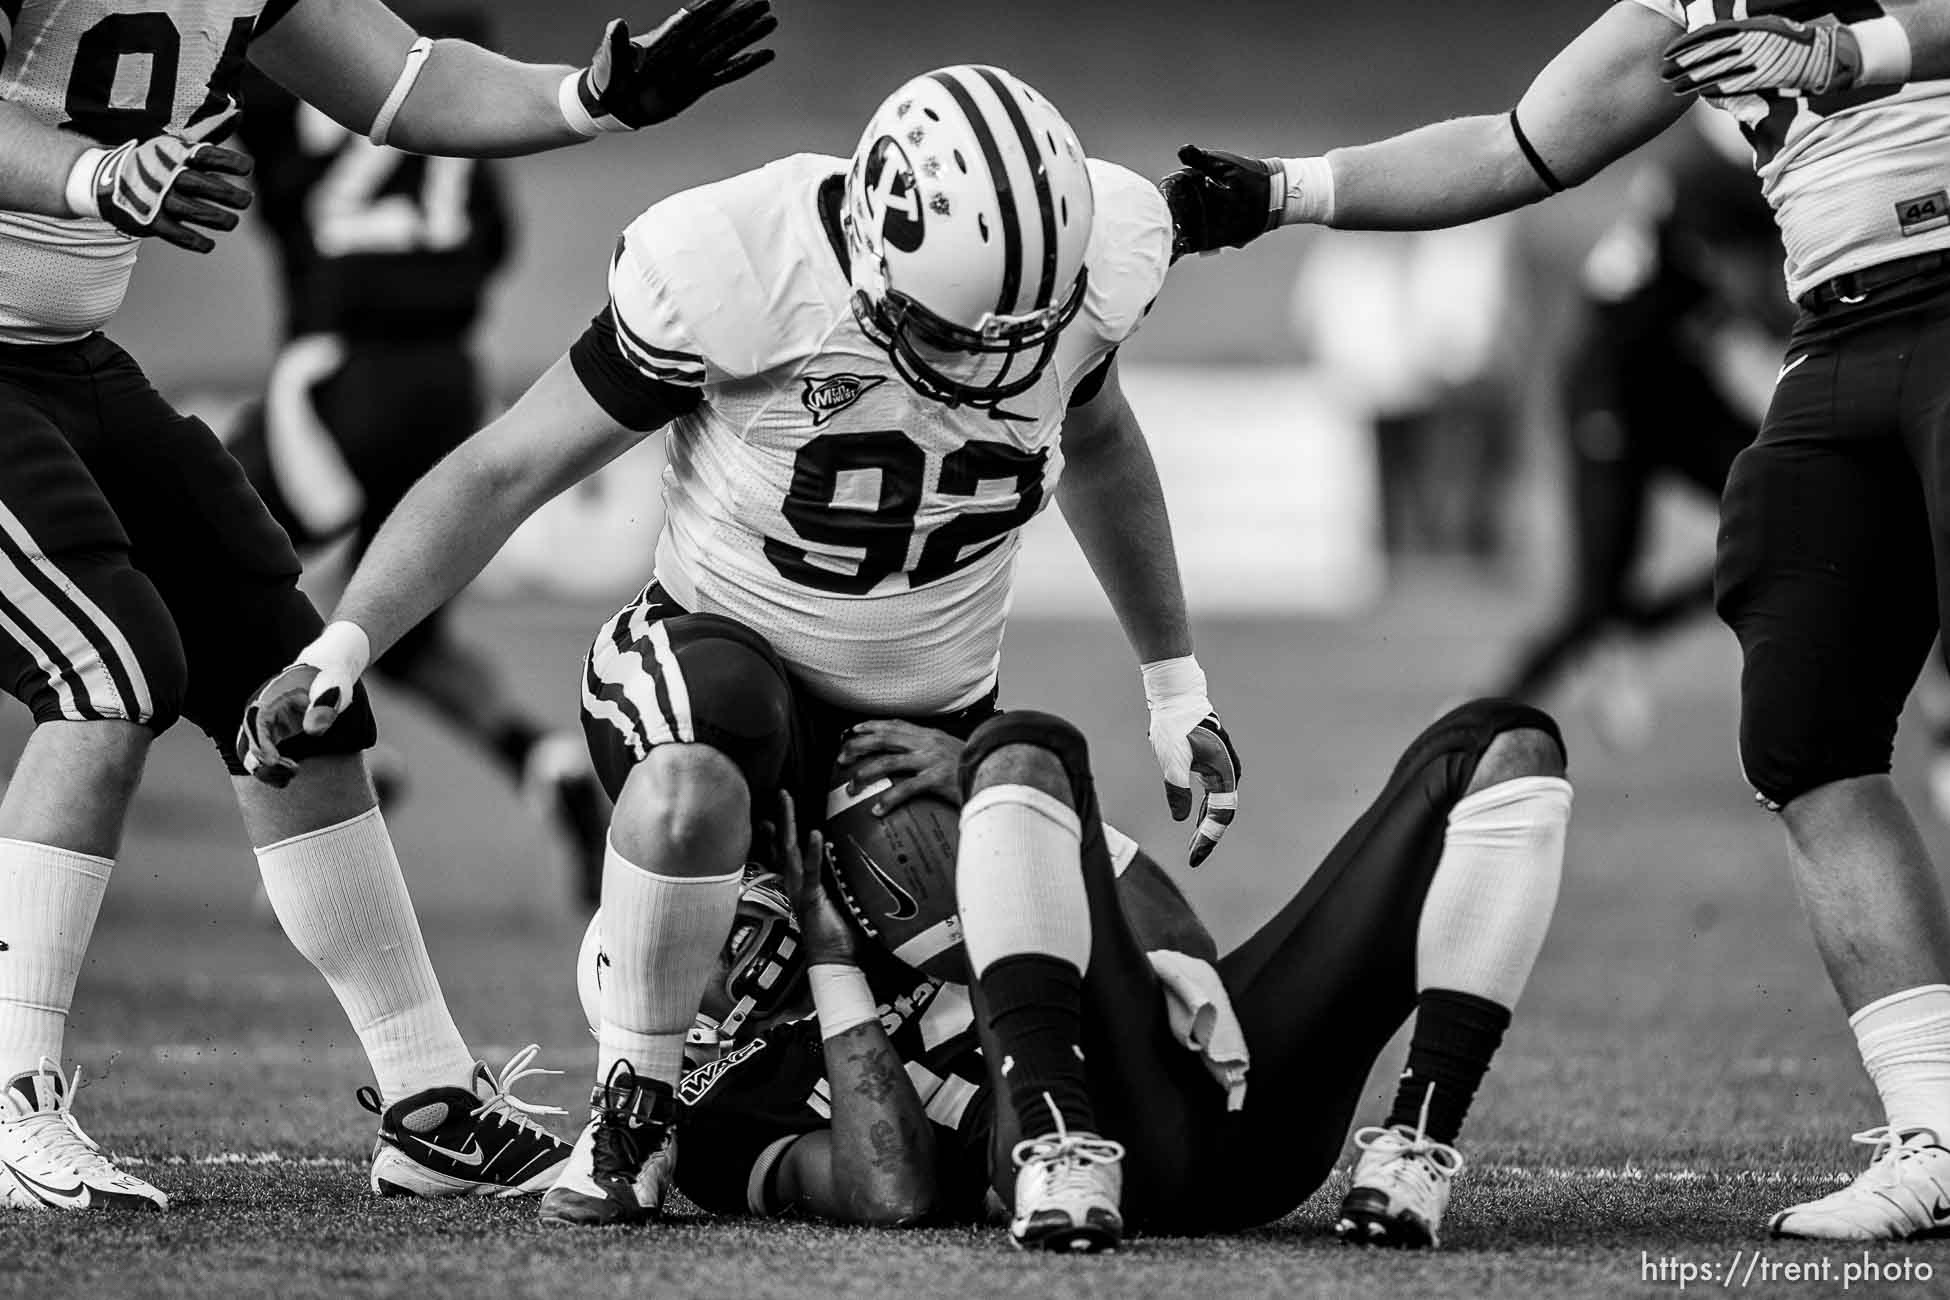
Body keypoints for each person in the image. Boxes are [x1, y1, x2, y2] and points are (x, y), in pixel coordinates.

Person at [234, 65, 1246, 1233]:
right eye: (952, 330)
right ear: (871, 246)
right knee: (707, 744)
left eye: (1018, 338)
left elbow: (1105, 441)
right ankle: (638, 1112)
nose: (985, 369)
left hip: (928, 738)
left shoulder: (1098, 256)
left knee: (1128, 999)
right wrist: (346, 642)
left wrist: (1176, 690)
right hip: (710, 671)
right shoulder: (740, 270)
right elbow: (507, 467)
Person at [1161, 0, 1950, 1241]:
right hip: (1841, 335)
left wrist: (1858, 52)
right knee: (1805, 736)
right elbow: (1512, 146)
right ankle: (1940, 1131)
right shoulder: (1692, 14)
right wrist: (1283, 192)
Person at [0, 0, 776, 1212]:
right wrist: (100, 171)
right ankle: (11, 1095)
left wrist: (589, 98)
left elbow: (404, 81)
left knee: (290, 674)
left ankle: (427, 1103)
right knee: (111, 671)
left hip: (67, 354)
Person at [661, 700, 1569, 1252]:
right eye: (690, 943)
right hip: (1064, 1154)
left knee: (1503, 745)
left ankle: (1414, 1150)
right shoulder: (714, 1103)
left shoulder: (879, 897)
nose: (726, 926)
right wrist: (830, 970)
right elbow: (892, 1194)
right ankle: (1062, 1148)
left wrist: (989, 798)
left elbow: (1183, 941)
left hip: (1241, 1114)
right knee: (1018, 752)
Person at [225, 9, 612, 907]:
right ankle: (543, 761)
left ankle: (334, 749)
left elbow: (249, 173)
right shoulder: (441, 54)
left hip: (335, 373)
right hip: (448, 379)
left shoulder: (289, 49)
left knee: (203, 569)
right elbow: (492, 235)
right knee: (396, 633)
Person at [1493, 112, 1789, 747]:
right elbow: (1757, 302)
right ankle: (1484, 711)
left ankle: (1632, 627)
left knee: (1786, 506)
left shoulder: (1723, 171)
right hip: (1612, 387)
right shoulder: (1711, 180)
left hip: (1677, 382)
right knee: (1597, 592)